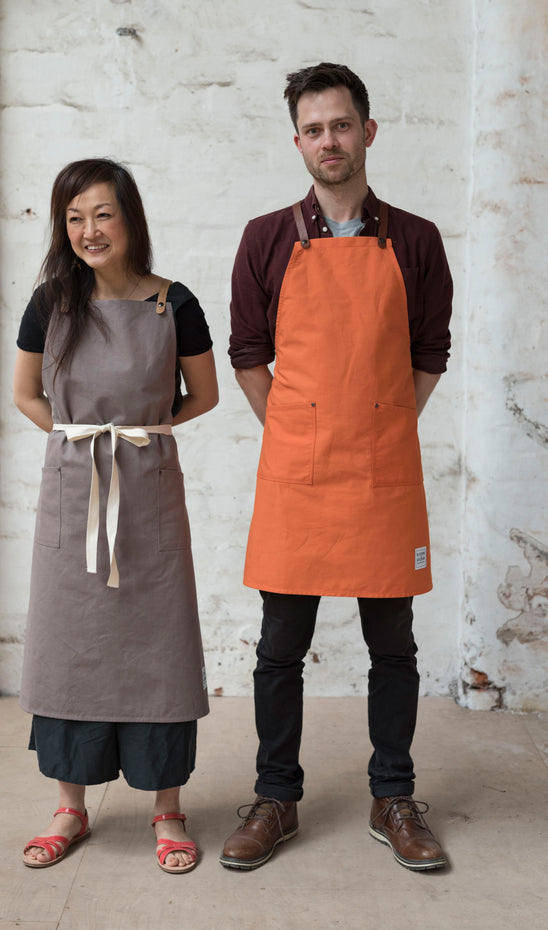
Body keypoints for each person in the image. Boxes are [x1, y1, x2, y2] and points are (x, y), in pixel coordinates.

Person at [220, 63, 452, 872]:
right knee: (280, 646)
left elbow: (430, 352)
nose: (329, 140)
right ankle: (275, 798)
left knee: (394, 644)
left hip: (384, 469)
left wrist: (384, 426)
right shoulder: (266, 237)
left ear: (368, 132)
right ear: (298, 142)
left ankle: (393, 796)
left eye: (342, 124)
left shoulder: (415, 239)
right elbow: (248, 353)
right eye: (314, 128)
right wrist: (296, 431)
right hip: (299, 473)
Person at [13, 158, 218, 874]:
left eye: (101, 214)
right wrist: (78, 440)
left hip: (148, 491)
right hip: (74, 493)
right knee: (72, 642)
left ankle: (168, 807)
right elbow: (27, 395)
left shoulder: (174, 303)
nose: (88, 230)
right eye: (73, 217)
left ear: (129, 220)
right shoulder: (50, 303)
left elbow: (205, 395)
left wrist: (145, 431)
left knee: (156, 644)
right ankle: (70, 805)